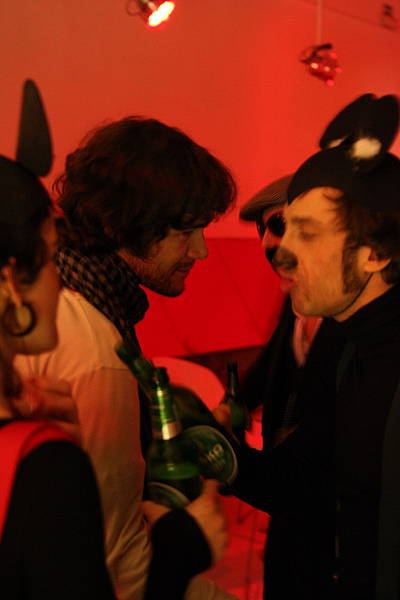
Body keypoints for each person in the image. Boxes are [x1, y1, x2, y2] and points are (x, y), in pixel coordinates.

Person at [1, 81, 229, 600]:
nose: (201, 251)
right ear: (123, 224)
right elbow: (108, 552)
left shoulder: (92, 305)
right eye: (185, 232)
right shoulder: (94, 349)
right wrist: (181, 549)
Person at [226, 93, 400, 600]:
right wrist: (217, 451)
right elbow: (301, 483)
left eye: (306, 233)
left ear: (373, 253)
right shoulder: (345, 348)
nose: (282, 252)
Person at [239, 174, 321, 448]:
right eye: (261, 230)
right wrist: (233, 406)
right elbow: (273, 363)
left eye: (279, 224)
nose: (266, 243)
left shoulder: (356, 308)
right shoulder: (295, 300)